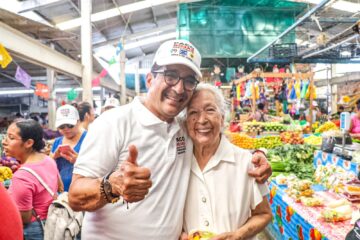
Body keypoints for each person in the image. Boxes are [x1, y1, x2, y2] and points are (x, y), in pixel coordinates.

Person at [68, 39, 271, 240]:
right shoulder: (114, 122)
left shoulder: (182, 130)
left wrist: (259, 154)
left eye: (189, 80)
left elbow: (213, 138)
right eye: (170, 75)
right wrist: (112, 186)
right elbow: (75, 196)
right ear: (149, 79)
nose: (179, 88)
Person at [181, 83, 272, 239]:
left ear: (222, 118)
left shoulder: (245, 162)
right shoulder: (177, 163)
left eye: (210, 110)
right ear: (186, 122)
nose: (202, 120)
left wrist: (239, 235)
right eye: (193, 112)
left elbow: (264, 214)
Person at [2, 119, 59, 240]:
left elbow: (23, 218)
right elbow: (60, 187)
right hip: (51, 223)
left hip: (35, 230)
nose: (4, 142)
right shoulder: (48, 160)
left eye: (11, 138)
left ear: (28, 143)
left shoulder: (22, 177)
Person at [50, 104, 87, 192]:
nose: (66, 129)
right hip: (61, 191)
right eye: (62, 127)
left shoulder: (88, 139)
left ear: (78, 122)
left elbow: (99, 167)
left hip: (83, 190)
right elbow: (48, 166)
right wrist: (54, 156)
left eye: (70, 125)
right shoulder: (57, 142)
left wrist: (79, 161)